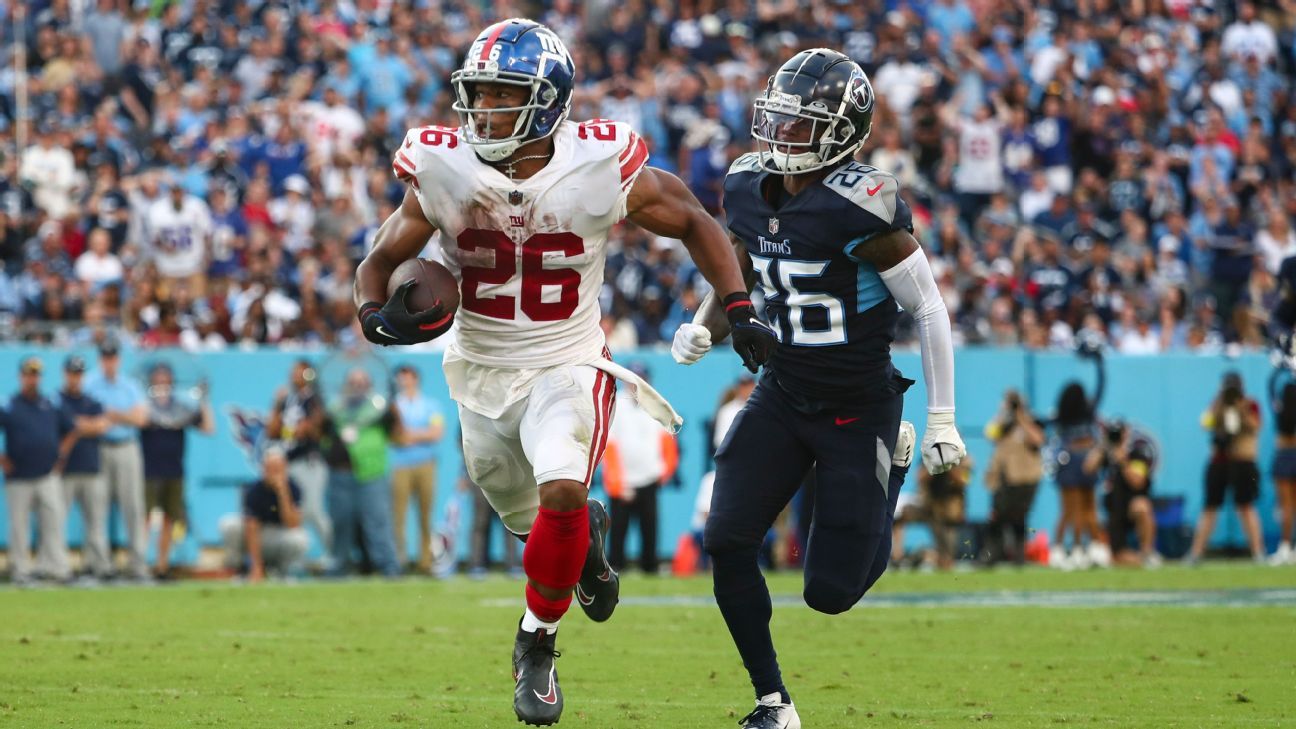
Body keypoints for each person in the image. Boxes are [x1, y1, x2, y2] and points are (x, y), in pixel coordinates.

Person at [352, 19, 769, 726]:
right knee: (536, 528)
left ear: (546, 103)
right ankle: (584, 552)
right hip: (478, 371)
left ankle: (536, 643)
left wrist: (738, 306)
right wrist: (373, 315)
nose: (481, 111)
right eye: (476, 94)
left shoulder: (600, 163)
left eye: (500, 97)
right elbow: (379, 261)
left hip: (566, 360)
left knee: (565, 491)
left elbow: (698, 220)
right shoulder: (443, 165)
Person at [670, 49, 965, 728]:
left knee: (830, 593)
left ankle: (894, 464)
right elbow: (739, 265)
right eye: (776, 120)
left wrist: (943, 416)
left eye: (800, 126)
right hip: (781, 389)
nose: (780, 138)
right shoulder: (744, 185)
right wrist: (704, 323)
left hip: (857, 406)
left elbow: (927, 308)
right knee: (727, 535)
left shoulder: (863, 206)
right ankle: (773, 702)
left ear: (841, 133)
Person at [321, 368, 402, 577]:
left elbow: (397, 430)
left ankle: (389, 567)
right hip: (340, 474)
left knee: (378, 522)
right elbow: (320, 432)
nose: (357, 386)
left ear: (369, 385)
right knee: (340, 522)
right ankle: (338, 567)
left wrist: (392, 402)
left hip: (371, 472)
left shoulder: (379, 407)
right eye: (353, 382)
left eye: (362, 382)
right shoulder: (335, 408)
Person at [0, 358, 73, 585]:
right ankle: (21, 570)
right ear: (21, 377)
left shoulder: (50, 404)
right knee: (20, 526)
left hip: (46, 474)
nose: (33, 379)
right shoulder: (10, 405)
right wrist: (2, 459)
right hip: (19, 476)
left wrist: (61, 455)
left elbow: (71, 430)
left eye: (36, 375)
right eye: (28, 374)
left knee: (53, 522)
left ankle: (56, 568)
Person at [83, 340, 151, 581]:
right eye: (105, 357)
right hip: (99, 447)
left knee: (133, 506)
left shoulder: (130, 385)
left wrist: (112, 415)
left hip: (127, 447)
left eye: (113, 357)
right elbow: (88, 418)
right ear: (100, 359)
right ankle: (100, 566)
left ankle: (138, 565)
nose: (109, 362)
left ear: (118, 360)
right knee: (97, 507)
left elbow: (141, 419)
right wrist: (125, 416)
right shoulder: (90, 383)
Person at [601, 364, 679, 574]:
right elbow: (610, 446)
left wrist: (663, 472)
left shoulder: (655, 406)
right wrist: (617, 483)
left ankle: (650, 567)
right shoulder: (616, 406)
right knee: (618, 529)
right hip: (624, 480)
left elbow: (667, 441)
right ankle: (616, 567)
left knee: (649, 527)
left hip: (649, 477)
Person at [140, 363, 215, 578]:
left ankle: (162, 566)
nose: (162, 384)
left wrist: (203, 399)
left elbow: (208, 428)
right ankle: (141, 564)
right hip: (150, 470)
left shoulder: (180, 408)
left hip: (174, 470)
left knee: (168, 520)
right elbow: (140, 420)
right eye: (158, 379)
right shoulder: (146, 406)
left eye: (166, 380)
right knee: (145, 519)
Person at [1186, 371, 1265, 563]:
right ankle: (1196, 553)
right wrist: (1218, 406)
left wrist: (1241, 409)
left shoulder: (1250, 404)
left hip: (1242, 460)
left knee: (1245, 506)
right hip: (1220, 460)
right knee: (1210, 507)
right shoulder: (1217, 404)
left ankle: (1258, 552)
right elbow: (1205, 424)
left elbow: (1256, 426)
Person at [1048, 348, 1108, 570]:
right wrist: (1099, 365)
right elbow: (1101, 388)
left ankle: (1072, 550)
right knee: (1084, 509)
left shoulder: (1062, 417)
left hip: (1071, 460)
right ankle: (1082, 548)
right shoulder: (1086, 412)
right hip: (1085, 460)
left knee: (1072, 510)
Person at [267, 360, 330, 563]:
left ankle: (335, 556)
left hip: (308, 461)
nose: (295, 375)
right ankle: (296, 560)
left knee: (313, 511)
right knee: (293, 513)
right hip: (290, 461)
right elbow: (272, 430)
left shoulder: (314, 399)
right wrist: (277, 404)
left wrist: (291, 430)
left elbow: (307, 429)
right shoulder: (288, 400)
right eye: (293, 371)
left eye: (299, 372)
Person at [56, 355, 113, 580]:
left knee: (96, 522)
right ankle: (60, 567)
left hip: (91, 467)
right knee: (58, 522)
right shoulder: (56, 400)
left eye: (78, 373)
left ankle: (97, 566)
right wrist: (85, 425)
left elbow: (103, 425)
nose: (75, 377)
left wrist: (77, 425)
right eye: (72, 373)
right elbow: (62, 425)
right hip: (66, 470)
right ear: (65, 374)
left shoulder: (91, 400)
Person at [219, 446, 309, 581]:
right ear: (263, 469)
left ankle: (283, 571)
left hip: (279, 535)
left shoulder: (294, 488)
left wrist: (283, 493)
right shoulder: (255, 490)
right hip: (258, 535)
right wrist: (256, 565)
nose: (274, 474)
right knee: (229, 525)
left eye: (277, 469)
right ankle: (240, 568)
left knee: (300, 539)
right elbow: (251, 527)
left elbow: (293, 524)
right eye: (270, 469)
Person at [389, 365, 445, 574]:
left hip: (425, 464)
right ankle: (400, 561)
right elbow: (393, 436)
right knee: (399, 515)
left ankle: (425, 561)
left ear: (415, 379)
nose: (404, 381)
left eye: (408, 377)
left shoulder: (431, 405)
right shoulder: (394, 405)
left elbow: (437, 433)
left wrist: (410, 435)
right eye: (401, 378)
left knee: (425, 513)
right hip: (402, 465)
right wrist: (422, 434)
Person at [982, 390, 1045, 566]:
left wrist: (1021, 416)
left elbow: (1038, 440)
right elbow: (990, 434)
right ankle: (991, 556)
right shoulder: (1003, 424)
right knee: (996, 518)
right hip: (1004, 479)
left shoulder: (1031, 421)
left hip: (1025, 479)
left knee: (1019, 519)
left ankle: (1019, 558)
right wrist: (1004, 412)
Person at [1092, 420, 1162, 567]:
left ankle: (1147, 552)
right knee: (1117, 558)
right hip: (1115, 512)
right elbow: (1088, 468)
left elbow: (1138, 482)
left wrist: (1123, 461)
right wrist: (1103, 445)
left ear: (1127, 433)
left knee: (1142, 506)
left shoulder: (1137, 453)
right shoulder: (1107, 454)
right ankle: (1138, 561)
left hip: (1131, 507)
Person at [1268, 367, 1296, 565]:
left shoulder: (1282, 406)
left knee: (1286, 505)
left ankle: (1285, 546)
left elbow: (1270, 387)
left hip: (1286, 453)